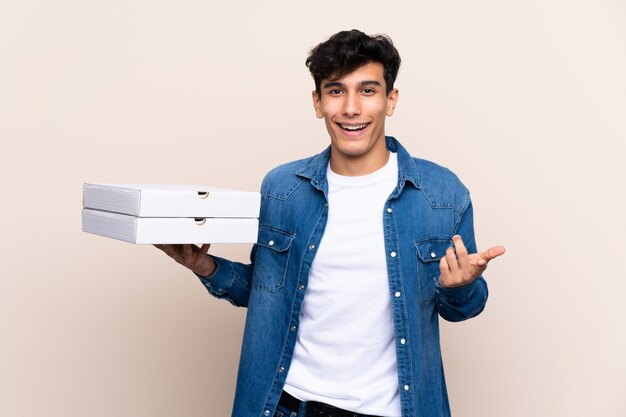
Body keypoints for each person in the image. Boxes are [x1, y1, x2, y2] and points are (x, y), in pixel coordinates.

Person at [156, 29, 505, 417]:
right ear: (318, 102)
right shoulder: (283, 189)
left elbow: (463, 308)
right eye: (336, 91)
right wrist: (203, 265)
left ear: (391, 100)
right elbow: (266, 293)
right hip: (287, 407)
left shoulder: (442, 194)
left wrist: (460, 287)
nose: (351, 108)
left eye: (368, 91)